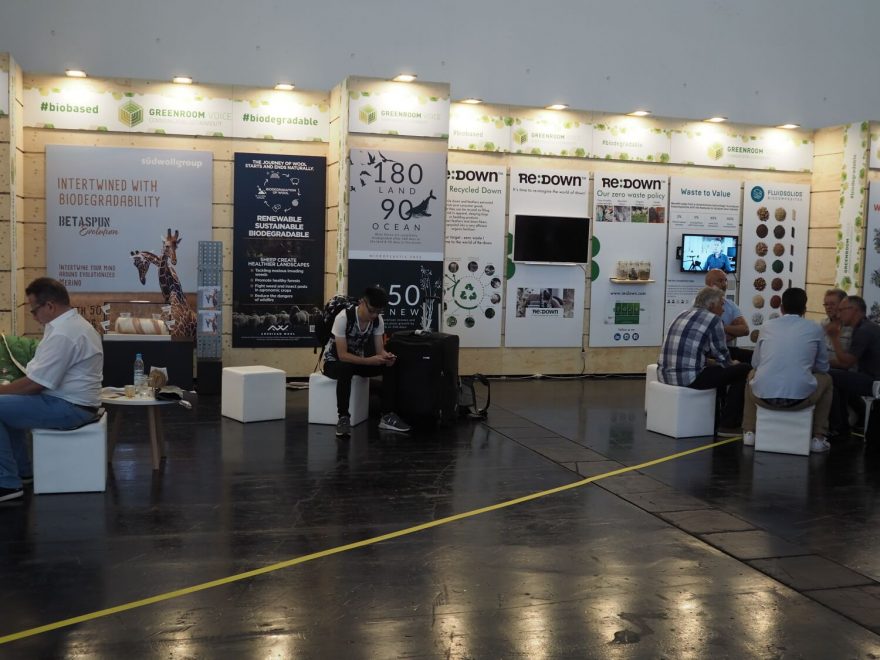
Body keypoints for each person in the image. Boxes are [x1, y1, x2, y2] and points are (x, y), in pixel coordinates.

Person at [0, 277, 104, 502]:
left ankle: (6, 483)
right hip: (72, 403)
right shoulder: (69, 325)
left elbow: (35, 384)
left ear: (50, 306)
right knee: (7, 408)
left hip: (70, 407)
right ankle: (22, 472)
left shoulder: (65, 333)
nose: (33, 316)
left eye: (34, 310)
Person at [741, 288, 832, 453]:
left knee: (751, 375)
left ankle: (749, 431)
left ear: (781, 308)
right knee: (827, 379)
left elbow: (755, 363)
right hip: (801, 399)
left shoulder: (767, 326)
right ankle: (818, 437)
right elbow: (823, 367)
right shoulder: (815, 329)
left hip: (763, 398)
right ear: (804, 309)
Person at [658, 286, 751, 434]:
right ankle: (729, 425)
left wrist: (716, 363)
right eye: (721, 304)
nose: (723, 309)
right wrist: (733, 364)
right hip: (688, 378)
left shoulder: (682, 314)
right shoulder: (714, 320)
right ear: (712, 305)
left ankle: (718, 415)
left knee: (719, 370)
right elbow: (723, 357)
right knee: (743, 369)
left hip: (664, 374)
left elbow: (693, 354)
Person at [322, 285, 411, 437]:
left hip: (358, 361)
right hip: (334, 362)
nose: (374, 315)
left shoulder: (377, 321)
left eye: (378, 312)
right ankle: (343, 417)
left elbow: (379, 350)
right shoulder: (344, 318)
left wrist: (387, 357)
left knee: (390, 366)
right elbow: (342, 355)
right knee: (345, 368)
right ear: (362, 302)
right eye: (372, 311)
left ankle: (387, 415)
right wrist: (369, 361)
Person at [826, 295, 880, 438]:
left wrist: (834, 338)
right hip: (870, 377)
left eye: (841, 310)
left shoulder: (864, 330)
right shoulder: (865, 327)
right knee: (836, 376)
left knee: (829, 376)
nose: (839, 315)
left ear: (854, 310)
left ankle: (840, 427)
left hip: (874, 382)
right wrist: (825, 363)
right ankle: (844, 424)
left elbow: (846, 362)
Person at [705, 269, 752, 364]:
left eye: (725, 280)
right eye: (720, 280)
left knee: (753, 357)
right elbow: (708, 338)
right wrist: (733, 331)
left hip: (727, 349)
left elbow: (745, 330)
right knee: (743, 366)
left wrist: (723, 327)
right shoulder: (701, 304)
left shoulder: (730, 305)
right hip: (707, 351)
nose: (724, 284)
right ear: (710, 284)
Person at [821, 288, 853, 366]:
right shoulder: (822, 324)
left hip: (844, 371)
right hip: (822, 368)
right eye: (826, 304)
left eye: (832, 304)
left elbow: (849, 363)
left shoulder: (852, 328)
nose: (828, 307)